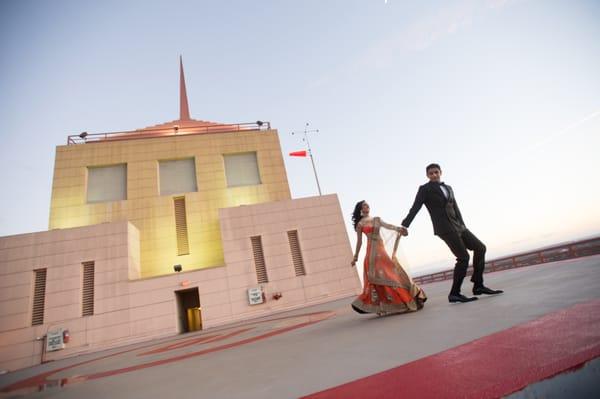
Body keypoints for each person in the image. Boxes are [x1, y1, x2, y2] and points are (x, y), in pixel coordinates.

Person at [400, 163, 503, 303]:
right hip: (444, 228)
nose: (434, 175)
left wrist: (463, 225)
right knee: (463, 257)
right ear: (427, 176)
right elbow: (415, 207)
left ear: (441, 172)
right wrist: (405, 225)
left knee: (480, 248)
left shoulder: (448, 188)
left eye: (436, 172)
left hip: (458, 225)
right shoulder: (425, 189)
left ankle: (478, 285)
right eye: (431, 173)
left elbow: (455, 207)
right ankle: (454, 293)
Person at [351, 200, 426, 315]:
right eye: (364, 206)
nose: (367, 207)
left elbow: (388, 226)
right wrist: (355, 257)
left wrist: (399, 229)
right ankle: (382, 306)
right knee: (375, 278)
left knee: (391, 273)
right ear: (360, 209)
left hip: (381, 251)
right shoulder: (360, 224)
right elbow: (359, 242)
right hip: (371, 253)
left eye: (368, 205)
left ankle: (405, 299)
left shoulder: (377, 219)